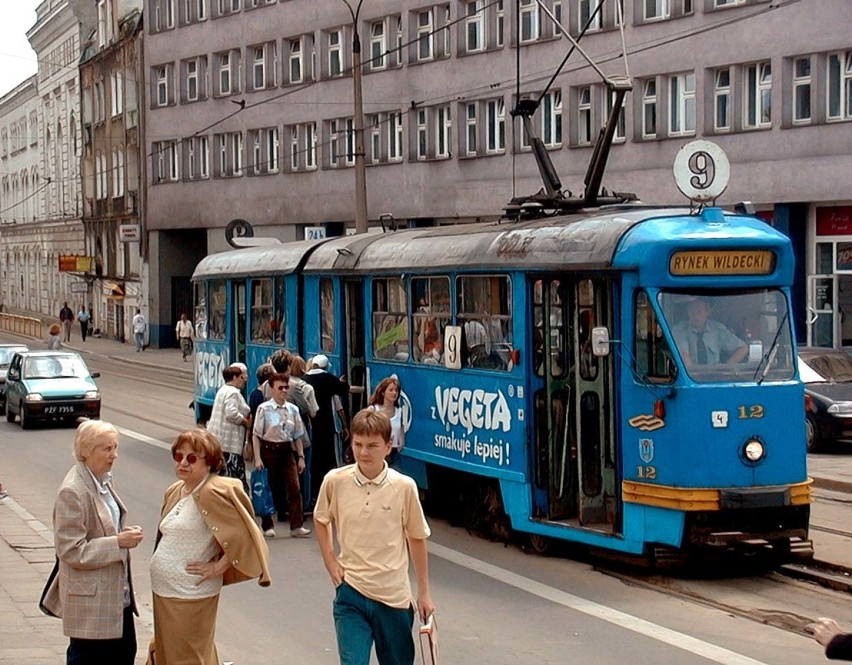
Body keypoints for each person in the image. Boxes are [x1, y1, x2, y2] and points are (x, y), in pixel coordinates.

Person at [315, 409, 435, 665]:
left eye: (372, 446)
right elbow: (320, 518)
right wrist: (330, 562)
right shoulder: (335, 481)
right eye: (358, 445)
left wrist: (423, 592)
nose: (364, 453)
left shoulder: (404, 487)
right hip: (351, 594)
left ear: (388, 446)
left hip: (394, 600)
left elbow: (416, 538)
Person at [147, 429, 271, 665]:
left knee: (188, 658)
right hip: (164, 591)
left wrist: (217, 568)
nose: (183, 462)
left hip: (189, 594)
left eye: (192, 458)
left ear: (209, 463)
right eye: (178, 456)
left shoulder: (214, 491)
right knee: (170, 655)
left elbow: (245, 534)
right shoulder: (176, 489)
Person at [41, 420, 144, 665]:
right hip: (92, 605)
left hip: (116, 599)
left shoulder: (102, 479)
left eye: (115, 447)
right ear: (86, 451)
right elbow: (70, 550)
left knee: (124, 654)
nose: (114, 455)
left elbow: (103, 526)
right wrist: (118, 542)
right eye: (107, 449)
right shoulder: (73, 491)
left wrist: (120, 534)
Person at [251, 372, 311, 539]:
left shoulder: (293, 409)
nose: (284, 391)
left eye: (286, 387)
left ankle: (296, 525)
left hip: (286, 450)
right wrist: (257, 458)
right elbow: (256, 434)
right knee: (267, 487)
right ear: (272, 389)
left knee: (294, 487)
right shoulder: (264, 409)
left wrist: (301, 457)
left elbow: (298, 434)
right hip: (268, 450)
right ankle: (267, 524)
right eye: (280, 388)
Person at [304, 354, 350, 503]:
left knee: (314, 460)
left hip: (311, 425)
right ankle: (329, 490)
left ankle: (313, 491)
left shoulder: (304, 379)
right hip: (327, 425)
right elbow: (344, 390)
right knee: (329, 458)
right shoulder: (328, 378)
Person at [207, 364, 251, 494]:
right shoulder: (233, 392)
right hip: (229, 443)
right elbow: (231, 413)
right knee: (233, 477)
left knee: (220, 475)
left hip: (218, 441)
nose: (245, 380)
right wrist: (245, 422)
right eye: (242, 378)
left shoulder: (223, 389)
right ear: (234, 377)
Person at [671, 298, 748, 367]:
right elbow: (684, 356)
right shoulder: (679, 330)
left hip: (715, 377)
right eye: (691, 311)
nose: (695, 315)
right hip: (691, 377)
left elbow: (743, 348)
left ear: (707, 312)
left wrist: (726, 367)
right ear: (688, 312)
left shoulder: (717, 329)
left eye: (699, 311)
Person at [288, 354, 319, 512]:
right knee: (304, 466)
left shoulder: (281, 383)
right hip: (302, 428)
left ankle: (288, 502)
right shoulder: (306, 388)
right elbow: (313, 412)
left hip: (283, 430)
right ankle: (305, 502)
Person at [367, 376, 405, 469]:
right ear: (383, 392)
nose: (394, 393)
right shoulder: (373, 410)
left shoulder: (399, 411)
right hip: (378, 451)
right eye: (391, 390)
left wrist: (401, 443)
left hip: (394, 452)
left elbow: (400, 429)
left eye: (396, 390)